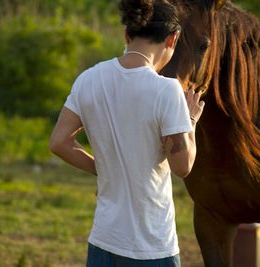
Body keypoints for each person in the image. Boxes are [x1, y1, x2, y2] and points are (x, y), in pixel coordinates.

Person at [49, 0, 205, 266]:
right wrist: (189, 121)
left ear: (126, 34)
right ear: (172, 39)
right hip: (152, 248)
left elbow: (59, 142)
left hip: (103, 241)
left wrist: (105, 167)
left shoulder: (89, 79)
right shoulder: (167, 91)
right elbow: (183, 166)